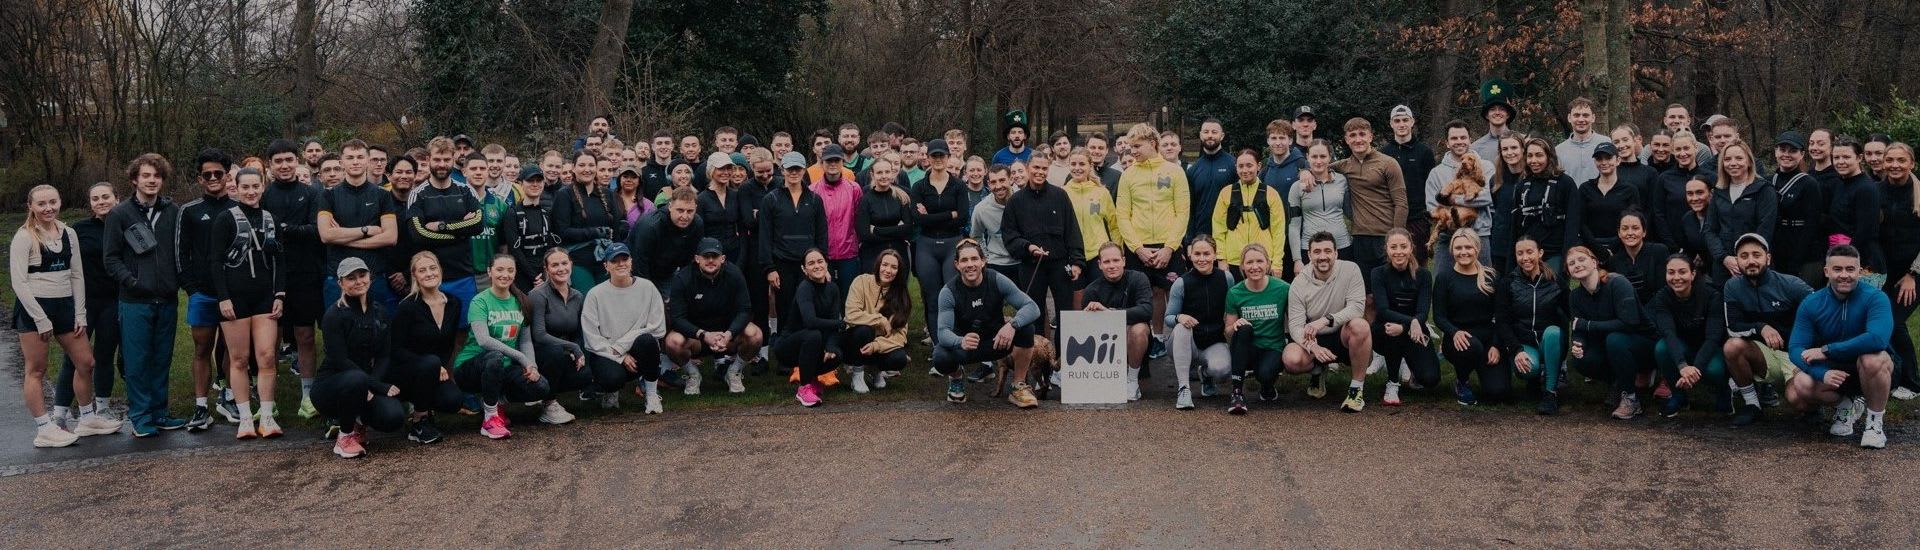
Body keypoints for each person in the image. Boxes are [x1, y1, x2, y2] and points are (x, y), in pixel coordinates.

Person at [13, 185, 119, 447]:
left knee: (86, 361)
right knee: (36, 370)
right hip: (35, 309)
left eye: (53, 202)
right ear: (31, 207)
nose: (48, 208)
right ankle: (44, 428)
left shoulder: (68, 233)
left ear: (60, 202)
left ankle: (87, 418)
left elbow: (76, 275)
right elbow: (18, 282)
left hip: (65, 308)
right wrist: (40, 318)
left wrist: (80, 313)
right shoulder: (24, 236)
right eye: (41, 204)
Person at [105, 154, 191, 436]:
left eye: (156, 176)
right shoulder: (120, 214)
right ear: (134, 179)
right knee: (137, 359)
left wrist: (176, 281)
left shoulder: (172, 211)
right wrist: (132, 281)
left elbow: (181, 249)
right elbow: (111, 258)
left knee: (161, 358)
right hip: (135, 301)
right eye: (146, 176)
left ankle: (159, 412)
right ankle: (140, 416)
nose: (151, 181)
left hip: (166, 298)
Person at [1786, 245, 1894, 448]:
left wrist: (1828, 350)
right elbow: (1795, 348)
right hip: (1836, 370)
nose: (1844, 275)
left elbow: (1878, 339)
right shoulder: (1811, 303)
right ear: (1826, 271)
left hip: (1874, 368)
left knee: (1872, 358)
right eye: (1837, 269)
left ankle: (1874, 424)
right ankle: (1846, 407)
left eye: (1850, 269)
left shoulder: (1876, 298)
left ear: (1859, 271)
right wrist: (1820, 373)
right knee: (1800, 383)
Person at [207, 167, 287, 438]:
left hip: (265, 297)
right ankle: (244, 418)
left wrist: (279, 294)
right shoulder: (225, 219)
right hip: (235, 298)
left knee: (266, 355)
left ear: (263, 187)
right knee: (239, 358)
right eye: (246, 187)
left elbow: (279, 260)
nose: (251, 192)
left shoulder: (271, 218)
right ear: (236, 188)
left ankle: (266, 415)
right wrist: (223, 297)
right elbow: (215, 261)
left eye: (256, 186)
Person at [308, 259, 403, 458]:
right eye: (351, 278)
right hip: (332, 386)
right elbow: (339, 360)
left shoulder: (381, 312)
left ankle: (359, 423)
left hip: (364, 383)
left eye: (362, 276)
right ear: (340, 283)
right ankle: (344, 437)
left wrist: (372, 385)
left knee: (393, 417)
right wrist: (377, 386)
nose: (358, 281)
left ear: (370, 277)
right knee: (356, 379)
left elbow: (385, 355)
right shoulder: (334, 315)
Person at [931, 240, 1043, 407]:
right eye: (964, 260)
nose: (970, 264)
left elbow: (1032, 307)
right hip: (966, 348)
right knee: (940, 356)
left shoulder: (996, 279)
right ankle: (956, 378)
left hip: (997, 343)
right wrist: (959, 340)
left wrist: (1012, 325)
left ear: (983, 261)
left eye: (974, 259)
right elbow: (942, 332)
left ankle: (1018, 386)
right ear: (956, 264)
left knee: (1026, 328)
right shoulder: (948, 292)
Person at [455, 255, 552, 440]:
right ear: (489, 272)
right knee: (494, 357)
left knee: (541, 386)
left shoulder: (521, 301)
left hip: (503, 368)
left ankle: (496, 400)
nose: (505, 274)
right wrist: (521, 359)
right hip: (471, 368)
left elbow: (525, 341)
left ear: (515, 274)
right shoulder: (480, 301)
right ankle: (490, 419)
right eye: (499, 269)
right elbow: (483, 341)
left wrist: (531, 365)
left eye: (510, 270)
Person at [1114, 125, 1189, 357]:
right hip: (1139, 247)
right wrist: (1137, 248)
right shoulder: (1128, 175)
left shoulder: (1175, 172)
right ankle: (1143, 345)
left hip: (1169, 245)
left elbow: (1182, 211)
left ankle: (1172, 342)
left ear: (1152, 143)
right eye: (1129, 146)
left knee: (1172, 294)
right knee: (1140, 297)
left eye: (1137, 146)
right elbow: (1122, 215)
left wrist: (1169, 247)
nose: (1132, 151)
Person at [53, 183, 122, 429]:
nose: (101, 201)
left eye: (106, 196)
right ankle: (59, 413)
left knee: (105, 354)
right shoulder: (79, 230)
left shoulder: (125, 225)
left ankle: (102, 408)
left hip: (114, 301)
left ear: (117, 198)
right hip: (83, 302)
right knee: (74, 358)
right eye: (95, 198)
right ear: (90, 203)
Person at [1565, 246, 1659, 419]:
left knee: (1615, 340)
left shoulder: (1617, 283)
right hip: (1609, 345)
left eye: (1581, 260)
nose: (1576, 265)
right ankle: (1619, 383)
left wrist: (1588, 325)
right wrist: (1578, 344)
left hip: (1643, 343)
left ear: (1594, 262)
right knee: (1581, 359)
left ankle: (1631, 399)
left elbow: (1629, 323)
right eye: (1571, 263)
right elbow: (1578, 328)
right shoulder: (1575, 296)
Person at [1283, 232, 1374, 412]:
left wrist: (1325, 320)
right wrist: (1313, 348)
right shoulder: (1299, 283)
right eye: (1316, 252)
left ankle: (1356, 390)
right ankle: (1317, 371)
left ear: (1336, 253)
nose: (1322, 256)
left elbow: (1357, 307)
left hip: (1343, 335)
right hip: (1314, 338)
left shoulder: (1351, 269)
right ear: (1308, 255)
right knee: (1291, 359)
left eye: (1327, 251)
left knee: (1361, 326)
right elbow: (1294, 326)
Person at [178, 148, 235, 430]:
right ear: (200, 179)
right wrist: (191, 288)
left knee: (232, 351)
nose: (213, 178)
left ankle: (230, 396)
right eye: (207, 174)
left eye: (218, 173)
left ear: (227, 176)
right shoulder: (189, 211)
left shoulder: (238, 208)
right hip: (202, 292)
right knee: (203, 348)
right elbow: (180, 253)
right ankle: (201, 406)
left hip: (234, 293)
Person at [665, 238, 764, 394]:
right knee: (672, 342)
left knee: (755, 335)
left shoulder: (734, 274)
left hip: (727, 335)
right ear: (697, 258)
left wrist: (729, 333)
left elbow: (745, 310)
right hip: (696, 337)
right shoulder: (683, 278)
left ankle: (734, 372)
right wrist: (703, 334)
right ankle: (693, 375)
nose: (710, 260)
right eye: (706, 256)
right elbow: (677, 318)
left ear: (723, 259)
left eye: (715, 256)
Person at [386, 252, 466, 444]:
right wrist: (434, 365)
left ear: (440, 270)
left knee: (453, 401)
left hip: (433, 371)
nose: (429, 273)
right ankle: (419, 421)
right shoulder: (407, 307)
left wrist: (441, 367)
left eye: (432, 268)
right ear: (415, 276)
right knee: (430, 362)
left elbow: (448, 343)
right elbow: (395, 349)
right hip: (405, 371)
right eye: (422, 270)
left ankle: (425, 407)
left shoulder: (454, 303)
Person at [1005, 154, 1086, 339]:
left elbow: (1072, 230)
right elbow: (1009, 236)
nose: (1040, 172)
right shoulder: (1015, 201)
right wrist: (1027, 247)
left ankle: (1063, 358)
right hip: (1031, 264)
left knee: (1066, 314)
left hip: (1059, 263)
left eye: (1044, 168)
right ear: (1027, 168)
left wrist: (1077, 262)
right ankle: (1038, 360)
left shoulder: (1060, 195)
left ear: (1048, 169)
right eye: (1036, 168)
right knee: (1034, 313)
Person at [581, 244, 668, 413]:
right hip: (609, 353)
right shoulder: (595, 294)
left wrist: (623, 345)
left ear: (631, 262)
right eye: (615, 260)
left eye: (625, 259)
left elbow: (658, 328)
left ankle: (650, 394)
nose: (621, 264)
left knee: (647, 340)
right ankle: (611, 392)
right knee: (611, 378)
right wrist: (620, 356)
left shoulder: (648, 287)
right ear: (606, 266)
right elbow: (591, 337)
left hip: (637, 351)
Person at [319, 140, 401, 315]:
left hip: (373, 276)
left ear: (368, 160)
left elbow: (390, 237)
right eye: (350, 157)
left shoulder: (383, 195)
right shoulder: (328, 195)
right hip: (338, 277)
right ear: (341, 163)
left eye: (360, 157)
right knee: (339, 334)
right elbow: (326, 235)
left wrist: (342, 239)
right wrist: (366, 230)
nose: (355, 161)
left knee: (377, 334)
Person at [762, 152, 830, 346]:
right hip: (782, 262)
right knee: (786, 307)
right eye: (789, 169)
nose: (793, 172)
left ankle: (812, 344)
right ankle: (786, 348)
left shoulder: (815, 199)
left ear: (803, 170)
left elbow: (822, 234)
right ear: (782, 170)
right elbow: (765, 236)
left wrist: (823, 264)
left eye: (797, 169)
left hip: (809, 264)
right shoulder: (771, 199)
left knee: (810, 305)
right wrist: (769, 268)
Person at [1328, 118, 1408, 283]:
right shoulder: (1344, 166)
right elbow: (1319, 166)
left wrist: (1397, 236)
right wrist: (1304, 172)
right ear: (1347, 140)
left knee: (1391, 289)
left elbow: (1401, 203)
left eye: (1362, 134)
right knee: (1367, 294)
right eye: (1353, 135)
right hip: (1360, 238)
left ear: (1371, 137)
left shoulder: (1388, 164)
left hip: (1385, 236)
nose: (1358, 139)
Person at [1649, 254, 1728, 418]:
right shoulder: (1662, 297)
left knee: (1715, 370)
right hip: (1682, 348)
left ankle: (1724, 393)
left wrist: (1695, 368)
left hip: (1710, 348)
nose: (1676, 277)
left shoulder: (1711, 295)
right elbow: (1668, 333)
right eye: (1671, 272)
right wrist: (1682, 366)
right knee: (1662, 348)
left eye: (1682, 272)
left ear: (1692, 274)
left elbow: (1713, 338)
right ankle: (1679, 397)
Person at [1496, 235, 1568, 414]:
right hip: (1524, 343)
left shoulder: (1556, 282)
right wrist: (1516, 350)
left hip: (1550, 341)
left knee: (1553, 332)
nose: (1525, 258)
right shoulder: (1508, 283)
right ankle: (1534, 379)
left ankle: (1550, 393)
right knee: (1529, 370)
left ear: (1540, 253)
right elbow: (1503, 322)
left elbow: (1571, 312)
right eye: (1520, 253)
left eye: (1530, 252)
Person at [1433, 230, 1505, 405]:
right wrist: (1454, 332)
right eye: (1458, 248)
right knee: (1470, 346)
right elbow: (1439, 316)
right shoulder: (1444, 277)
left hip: (1487, 338)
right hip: (1458, 340)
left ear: (1477, 249)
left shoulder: (1491, 277)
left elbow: (1502, 316)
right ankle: (1462, 381)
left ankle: (1484, 370)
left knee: (1498, 392)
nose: (1463, 252)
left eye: (1468, 247)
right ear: (1452, 251)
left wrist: (1496, 345)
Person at [526, 249, 596, 423]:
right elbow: (539, 335)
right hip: (539, 353)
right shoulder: (538, 295)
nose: (561, 268)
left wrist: (577, 352)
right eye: (555, 265)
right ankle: (549, 404)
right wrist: (573, 347)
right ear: (546, 268)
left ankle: (540, 392)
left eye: (564, 263)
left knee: (585, 376)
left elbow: (577, 332)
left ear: (571, 264)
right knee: (554, 352)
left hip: (562, 353)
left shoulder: (577, 296)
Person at [1165, 236, 1235, 410]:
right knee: (1182, 327)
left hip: (1213, 342)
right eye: (1197, 254)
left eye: (1206, 254)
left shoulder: (1226, 278)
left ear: (1214, 255)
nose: (1202, 258)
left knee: (1223, 370)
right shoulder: (1181, 283)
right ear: (1190, 255)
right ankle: (1184, 388)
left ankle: (1206, 374)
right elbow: (1168, 317)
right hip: (1185, 343)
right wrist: (1179, 317)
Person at [1371, 229, 1438, 406]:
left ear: (1411, 248)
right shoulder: (1378, 273)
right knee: (1393, 330)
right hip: (1385, 330)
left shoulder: (1424, 275)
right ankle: (1392, 382)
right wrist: (1410, 322)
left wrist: (1412, 324)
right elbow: (1383, 310)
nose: (1398, 251)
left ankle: (1412, 364)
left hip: (1415, 331)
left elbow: (1423, 311)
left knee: (1430, 379)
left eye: (1403, 246)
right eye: (1393, 247)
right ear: (1387, 249)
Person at [1223, 243, 1292, 414]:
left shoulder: (1283, 288)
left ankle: (1267, 386)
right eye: (1249, 263)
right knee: (1244, 328)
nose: (1255, 267)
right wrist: (1235, 325)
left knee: (1265, 374)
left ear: (1268, 264)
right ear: (1242, 267)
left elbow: (1293, 321)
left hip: (1272, 347)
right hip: (1246, 347)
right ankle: (1237, 393)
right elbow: (1228, 331)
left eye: (1260, 261)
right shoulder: (1235, 292)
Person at [1081, 242, 1155, 401]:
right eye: (1106, 262)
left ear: (1124, 261)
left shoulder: (1139, 278)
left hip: (1136, 341)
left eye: (1115, 260)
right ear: (1099, 265)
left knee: (1139, 329)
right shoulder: (1091, 290)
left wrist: (1111, 314)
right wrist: (1090, 314)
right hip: (1106, 346)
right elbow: (1085, 330)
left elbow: (1147, 310)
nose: (1112, 265)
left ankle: (1132, 381)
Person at [911, 139, 969, 337]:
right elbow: (918, 219)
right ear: (927, 158)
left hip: (953, 243)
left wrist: (930, 217)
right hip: (926, 246)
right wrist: (948, 214)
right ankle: (938, 346)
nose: (937, 159)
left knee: (952, 294)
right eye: (933, 156)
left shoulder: (959, 186)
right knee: (932, 297)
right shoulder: (919, 187)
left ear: (948, 157)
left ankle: (955, 340)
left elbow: (962, 218)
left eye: (941, 156)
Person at [1877, 143, 1920, 398]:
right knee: (1877, 322)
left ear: (1911, 163)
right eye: (1890, 160)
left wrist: (1912, 275)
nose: (1895, 165)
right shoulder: (1876, 191)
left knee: (1894, 322)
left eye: (1901, 160)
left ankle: (1912, 382)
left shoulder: (1918, 192)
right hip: (1883, 270)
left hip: (1913, 273)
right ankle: (1891, 375)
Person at [1705, 141, 1778, 285]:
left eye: (1739, 158)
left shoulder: (1763, 190)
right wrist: (1724, 258)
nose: (1733, 163)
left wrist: (1744, 259)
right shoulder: (1719, 191)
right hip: (1723, 266)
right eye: (1727, 159)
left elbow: (1765, 228)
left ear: (1749, 162)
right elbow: (1710, 229)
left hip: (1754, 264)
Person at [779, 249, 845, 407]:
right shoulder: (804, 288)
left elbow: (832, 324)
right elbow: (810, 321)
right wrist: (840, 323)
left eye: (820, 261)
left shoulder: (833, 289)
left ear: (826, 263)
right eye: (811, 263)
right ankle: (803, 388)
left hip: (814, 343)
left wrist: (830, 347)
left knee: (837, 354)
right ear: (804, 269)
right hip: (788, 346)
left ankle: (812, 379)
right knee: (813, 334)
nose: (816, 266)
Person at [841, 249, 912, 393]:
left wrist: (876, 346)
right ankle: (857, 374)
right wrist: (879, 320)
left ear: (899, 271)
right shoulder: (861, 281)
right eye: (885, 265)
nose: (888, 270)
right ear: (878, 265)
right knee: (864, 330)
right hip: (854, 341)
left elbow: (900, 336)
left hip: (878, 345)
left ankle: (876, 370)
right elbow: (851, 314)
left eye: (894, 267)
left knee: (899, 359)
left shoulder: (901, 294)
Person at [553, 151, 626, 288]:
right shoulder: (564, 195)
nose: (587, 169)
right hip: (578, 261)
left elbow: (615, 230)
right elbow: (562, 232)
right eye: (582, 165)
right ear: (574, 168)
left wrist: (617, 258)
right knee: (587, 299)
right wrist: (595, 232)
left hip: (605, 260)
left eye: (591, 165)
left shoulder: (607, 195)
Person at [1427, 121, 1496, 260]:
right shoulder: (1436, 173)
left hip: (1479, 234)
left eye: (1463, 138)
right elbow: (1431, 205)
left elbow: (1490, 197)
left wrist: (1455, 200)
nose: (1459, 142)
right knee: (1443, 280)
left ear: (1470, 140)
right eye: (1454, 138)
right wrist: (1448, 221)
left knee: (1484, 280)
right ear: (1447, 143)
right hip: (1447, 237)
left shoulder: (1486, 166)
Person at [1213, 149, 1287, 277]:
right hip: (1234, 261)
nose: (1245, 170)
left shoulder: (1271, 194)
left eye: (1249, 165)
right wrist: (1221, 259)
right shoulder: (1226, 193)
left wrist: (1277, 264)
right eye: (1240, 166)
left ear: (1258, 166)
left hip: (1263, 260)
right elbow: (1218, 228)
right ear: (1236, 168)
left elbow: (1278, 231)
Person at [1512, 137, 1577, 272]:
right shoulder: (1522, 186)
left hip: (1556, 252)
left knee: (1553, 288)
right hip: (1528, 253)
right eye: (1529, 156)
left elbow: (1573, 222)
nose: (1533, 161)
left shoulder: (1565, 183)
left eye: (1539, 155)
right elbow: (1515, 226)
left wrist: (1567, 256)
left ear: (1549, 156)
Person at [1769, 132, 1826, 283]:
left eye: (1792, 151)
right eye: (1782, 150)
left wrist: (1796, 260)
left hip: (1805, 255)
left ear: (1801, 154)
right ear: (1776, 152)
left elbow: (1812, 224)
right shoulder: (1769, 181)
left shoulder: (1809, 184)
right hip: (1777, 251)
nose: (1786, 154)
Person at [1383, 105, 1437, 261]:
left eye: (1405, 120)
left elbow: (1431, 185)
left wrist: (1428, 215)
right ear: (1391, 124)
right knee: (1394, 261)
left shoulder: (1424, 152)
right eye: (1397, 121)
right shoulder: (1384, 153)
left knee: (1418, 262)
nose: (1401, 124)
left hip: (1418, 218)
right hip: (1391, 217)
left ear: (1412, 122)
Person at [496, 166, 562, 291]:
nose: (535, 184)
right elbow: (514, 249)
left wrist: (546, 273)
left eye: (539, 180)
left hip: (546, 272)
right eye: (530, 181)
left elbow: (550, 245)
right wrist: (534, 277)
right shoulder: (512, 213)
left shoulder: (547, 213)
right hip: (521, 274)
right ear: (521, 184)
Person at [627, 186, 706, 286]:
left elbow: (691, 259)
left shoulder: (697, 223)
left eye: (690, 211)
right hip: (639, 270)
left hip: (669, 270)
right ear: (670, 207)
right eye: (680, 210)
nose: (685, 216)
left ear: (696, 208)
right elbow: (640, 264)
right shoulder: (650, 226)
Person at [1571, 142, 1639, 255]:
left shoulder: (1630, 190)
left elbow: (1633, 221)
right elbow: (1580, 222)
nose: (1603, 162)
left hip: (1622, 247)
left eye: (1608, 158)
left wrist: (1613, 248)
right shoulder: (1585, 188)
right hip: (1590, 247)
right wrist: (1597, 248)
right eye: (1599, 159)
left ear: (1618, 160)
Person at [1289, 140, 1350, 266]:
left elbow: (1351, 213)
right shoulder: (1297, 187)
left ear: (1330, 157)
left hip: (1342, 246)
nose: (1318, 161)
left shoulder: (1341, 181)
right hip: (1310, 249)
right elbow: (1294, 226)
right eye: (1314, 156)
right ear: (1307, 157)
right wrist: (1297, 260)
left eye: (1323, 156)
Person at [1827, 137, 1883, 274]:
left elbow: (1866, 231)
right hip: (1842, 257)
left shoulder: (1866, 188)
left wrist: (1845, 258)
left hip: (1864, 263)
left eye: (1846, 157)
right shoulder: (1840, 183)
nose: (1840, 162)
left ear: (1859, 158)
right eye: (1836, 157)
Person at [812, 144, 864, 288]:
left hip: (849, 253)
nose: (833, 164)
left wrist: (856, 242)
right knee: (826, 296)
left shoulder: (854, 189)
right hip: (823, 254)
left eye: (837, 160)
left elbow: (859, 218)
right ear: (822, 163)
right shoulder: (812, 190)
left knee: (849, 296)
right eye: (829, 161)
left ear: (843, 162)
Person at [856, 155, 914, 273]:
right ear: (873, 175)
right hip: (873, 255)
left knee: (898, 290)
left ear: (892, 173)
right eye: (879, 172)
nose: (884, 176)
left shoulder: (901, 196)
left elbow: (908, 229)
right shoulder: (866, 199)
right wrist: (897, 229)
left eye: (887, 172)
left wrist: (876, 230)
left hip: (898, 253)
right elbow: (864, 234)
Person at [969, 164, 1023, 282]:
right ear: (988, 184)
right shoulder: (981, 209)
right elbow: (975, 236)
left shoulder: (1023, 200)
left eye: (1002, 180)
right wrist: (986, 257)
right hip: (996, 262)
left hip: (1022, 261)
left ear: (1011, 180)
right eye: (993, 182)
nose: (998, 186)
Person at [1185, 119, 1236, 241]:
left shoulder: (1234, 165)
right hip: (1201, 236)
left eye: (1214, 132)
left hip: (1229, 233)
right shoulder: (1193, 170)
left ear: (1222, 136)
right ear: (1200, 135)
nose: (1210, 135)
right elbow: (1190, 208)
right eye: (1206, 132)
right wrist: (1190, 239)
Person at [1605, 211, 1669, 304]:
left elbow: (1663, 290)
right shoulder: (1614, 261)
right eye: (1625, 229)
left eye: (1635, 228)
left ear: (1644, 232)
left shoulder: (1659, 251)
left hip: (1658, 308)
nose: (1630, 233)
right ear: (1619, 233)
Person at [1555, 97, 1602, 183]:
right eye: (1576, 115)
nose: (1581, 119)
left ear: (1593, 118)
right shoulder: (1559, 151)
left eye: (1585, 115)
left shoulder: (1606, 143)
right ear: (1569, 118)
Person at [1471, 80, 1516, 163]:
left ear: (1508, 114)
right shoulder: (1475, 149)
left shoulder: (1522, 142)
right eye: (1492, 109)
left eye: (1502, 109)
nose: (1497, 113)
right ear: (1486, 115)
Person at [1262, 119, 1306, 200]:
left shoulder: (1302, 164)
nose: (1278, 143)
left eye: (1282, 138)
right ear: (1268, 141)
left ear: (1290, 140)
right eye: (1274, 138)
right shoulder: (1265, 169)